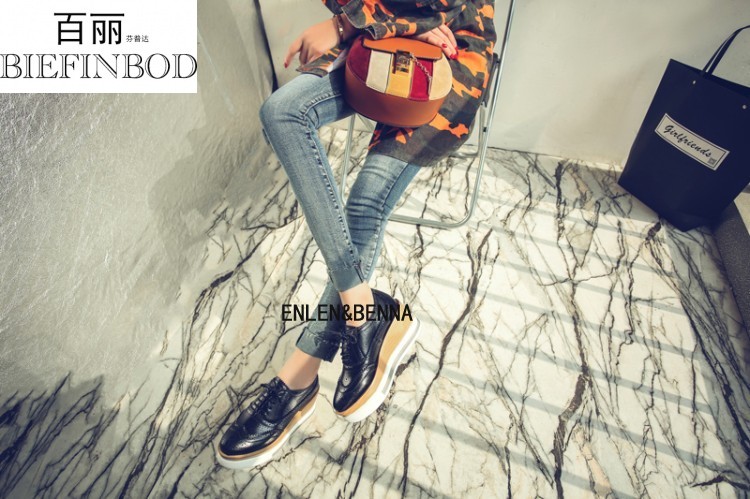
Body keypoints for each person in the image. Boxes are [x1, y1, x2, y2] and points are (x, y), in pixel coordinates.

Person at [217, 0, 496, 469]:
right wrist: (370, 23)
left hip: (449, 57)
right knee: (283, 112)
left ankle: (296, 380)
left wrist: (347, 23)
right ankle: (365, 310)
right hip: (379, 37)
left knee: (366, 201)